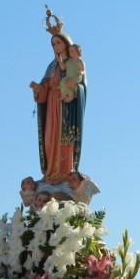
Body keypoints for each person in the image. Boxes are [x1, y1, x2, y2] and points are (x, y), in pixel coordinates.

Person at [31, 11, 86, 183]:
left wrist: (75, 88)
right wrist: (39, 89)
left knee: (65, 139)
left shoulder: (74, 63)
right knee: (50, 139)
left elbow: (81, 84)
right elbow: (46, 85)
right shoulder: (52, 66)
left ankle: (64, 172)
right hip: (52, 105)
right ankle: (51, 172)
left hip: (66, 106)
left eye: (58, 43)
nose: (56, 46)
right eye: (53, 44)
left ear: (66, 44)